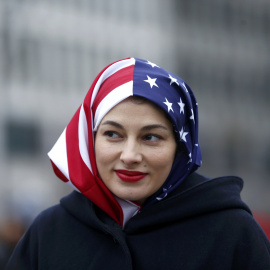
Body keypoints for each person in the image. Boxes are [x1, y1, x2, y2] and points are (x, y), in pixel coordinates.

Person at [5, 57, 270, 269]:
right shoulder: (49, 233)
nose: (130, 155)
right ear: (90, 140)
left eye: (151, 137)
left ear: (181, 147)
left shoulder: (232, 233)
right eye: (113, 134)